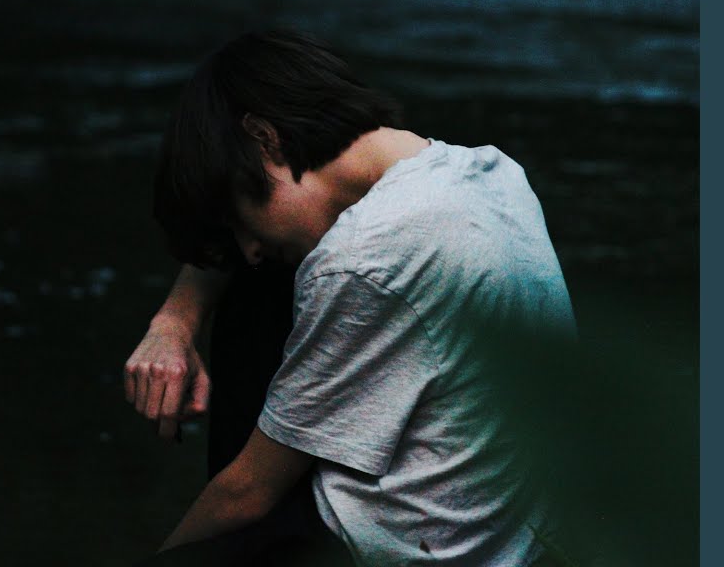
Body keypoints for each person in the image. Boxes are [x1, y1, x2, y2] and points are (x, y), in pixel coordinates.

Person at [125, 30, 576, 566]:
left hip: (403, 550)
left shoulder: (364, 256)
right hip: (509, 528)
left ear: (264, 138)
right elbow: (230, 252)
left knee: (263, 278)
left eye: (238, 215)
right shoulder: (489, 172)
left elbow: (246, 495)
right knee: (268, 261)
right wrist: (173, 323)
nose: (247, 248)